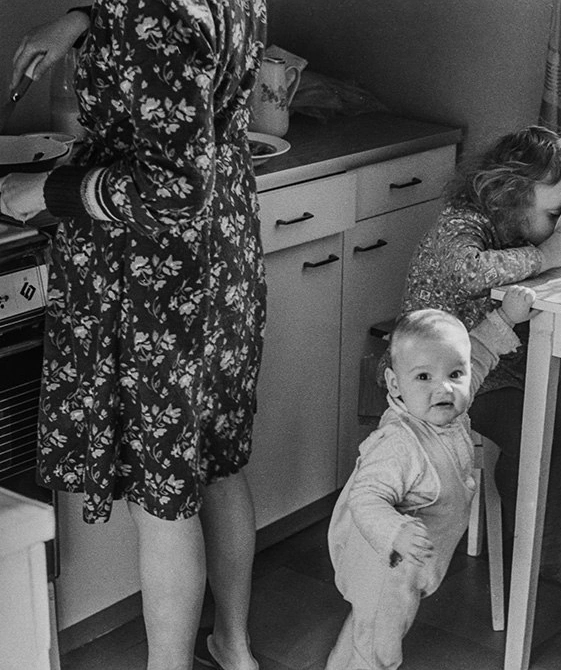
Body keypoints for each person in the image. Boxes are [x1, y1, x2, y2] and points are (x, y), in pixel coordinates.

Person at [2, 3, 267, 669]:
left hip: (158, 275)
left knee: (164, 493)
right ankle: (232, 648)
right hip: (223, 250)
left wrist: (48, 191)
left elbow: (172, 188)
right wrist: (81, 17)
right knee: (216, 463)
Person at [399, 125, 561, 608]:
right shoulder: (461, 223)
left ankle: (556, 546)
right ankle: (532, 534)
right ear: (510, 199)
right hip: (448, 379)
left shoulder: (525, 218)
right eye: (557, 213)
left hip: (500, 359)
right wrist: (544, 255)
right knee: (534, 426)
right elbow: (467, 270)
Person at [327, 287, 536, 670]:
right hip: (385, 565)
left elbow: (482, 351)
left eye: (456, 373)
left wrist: (506, 317)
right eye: (423, 376)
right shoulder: (399, 444)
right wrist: (394, 532)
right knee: (378, 653)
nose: (443, 386)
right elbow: (366, 496)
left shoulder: (447, 402)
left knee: (364, 632)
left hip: (407, 567)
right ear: (395, 385)